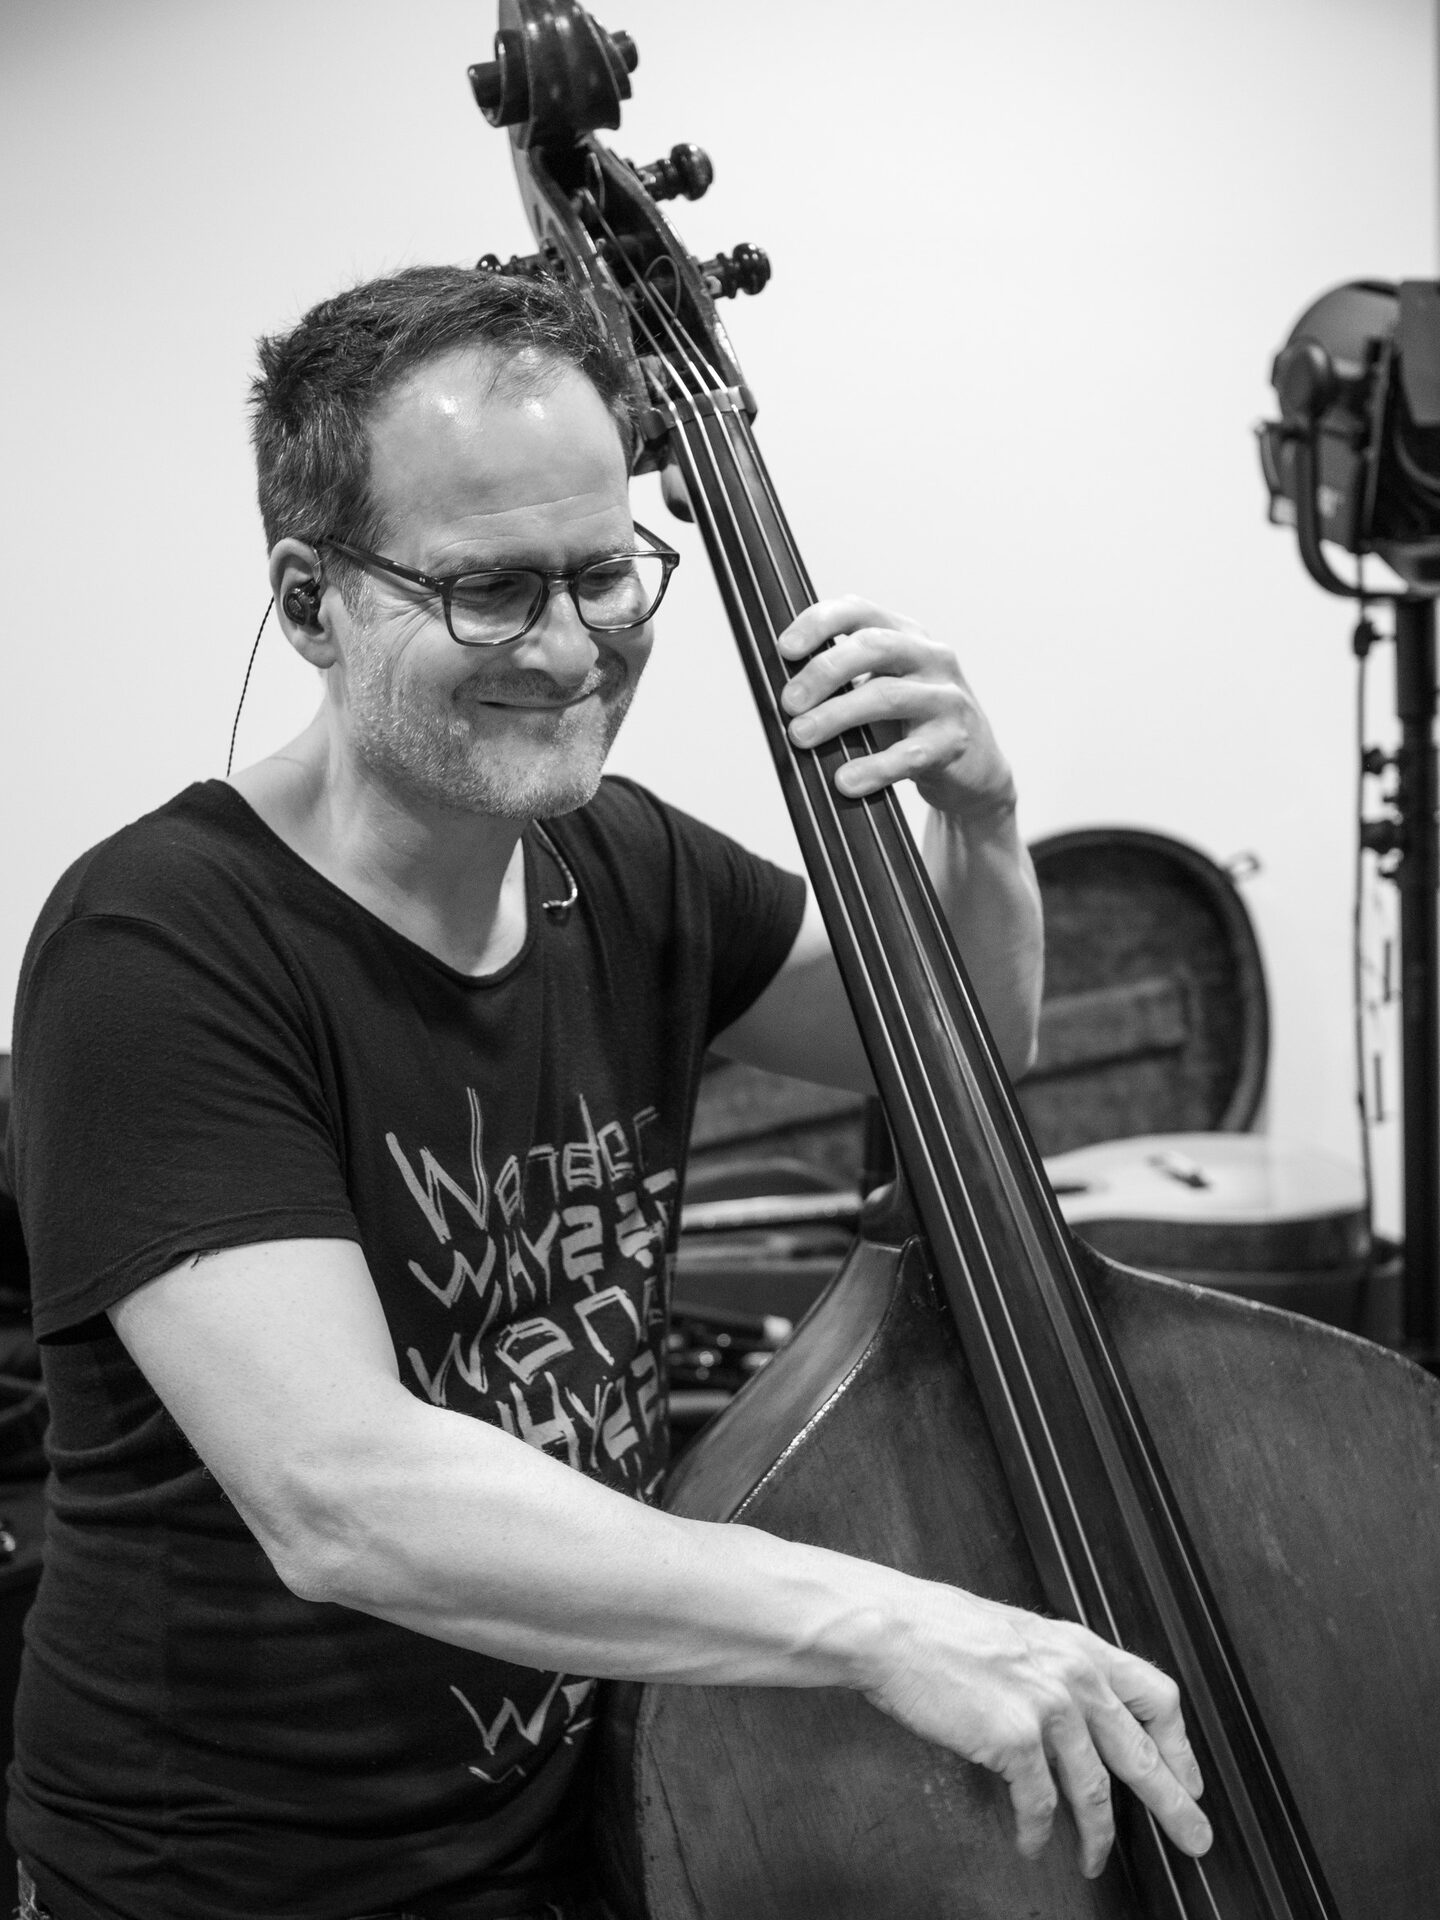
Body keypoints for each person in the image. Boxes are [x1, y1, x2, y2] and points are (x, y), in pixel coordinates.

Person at [6, 265, 1211, 1920]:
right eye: (493, 591)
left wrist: (984, 824)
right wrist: (880, 1622)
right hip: (244, 1882)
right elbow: (341, 1497)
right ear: (309, 601)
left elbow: (958, 1057)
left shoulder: (618, 862)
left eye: (602, 573)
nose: (574, 647)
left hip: (594, 1824)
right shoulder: (158, 946)